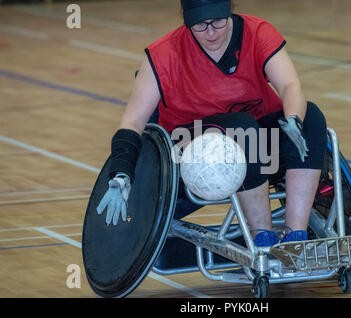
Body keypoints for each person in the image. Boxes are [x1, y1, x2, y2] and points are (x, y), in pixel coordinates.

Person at [96, 0, 328, 247]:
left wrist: (293, 118)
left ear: (229, 11)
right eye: (200, 25)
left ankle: (296, 237)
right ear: (186, 21)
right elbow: (133, 121)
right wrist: (121, 172)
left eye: (217, 22)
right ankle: (263, 239)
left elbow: (290, 85)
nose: (210, 32)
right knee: (243, 128)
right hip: (191, 143)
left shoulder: (257, 32)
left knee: (311, 116)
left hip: (257, 137)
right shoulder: (164, 54)